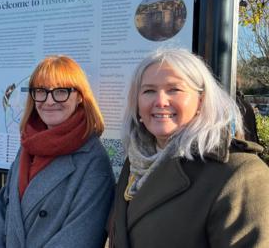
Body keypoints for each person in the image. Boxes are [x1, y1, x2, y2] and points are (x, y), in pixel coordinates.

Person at [108, 48, 269, 248]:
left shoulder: (240, 173)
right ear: (137, 103)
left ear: (201, 101)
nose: (160, 101)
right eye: (149, 91)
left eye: (174, 89)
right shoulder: (135, 161)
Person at [0, 55, 115, 247]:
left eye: (61, 91)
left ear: (80, 96)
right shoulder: (28, 145)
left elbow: (80, 238)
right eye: (41, 91)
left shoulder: (93, 160)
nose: (49, 101)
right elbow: (5, 209)